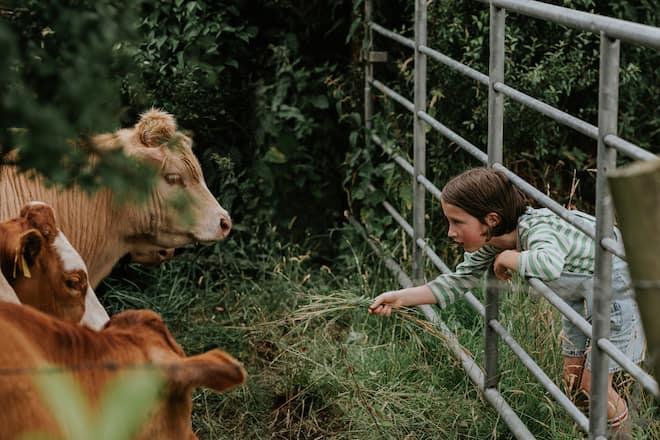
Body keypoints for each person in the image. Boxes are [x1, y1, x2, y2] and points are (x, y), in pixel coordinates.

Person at [368, 167, 645, 435]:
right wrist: (401, 298)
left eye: (457, 222)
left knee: (593, 384)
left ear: (491, 220)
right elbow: (455, 283)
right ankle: (596, 429)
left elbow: (549, 265)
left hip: (617, 289)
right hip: (581, 296)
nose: (450, 232)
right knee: (573, 382)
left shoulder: (538, 228)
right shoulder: (492, 241)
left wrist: (506, 259)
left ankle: (625, 435)